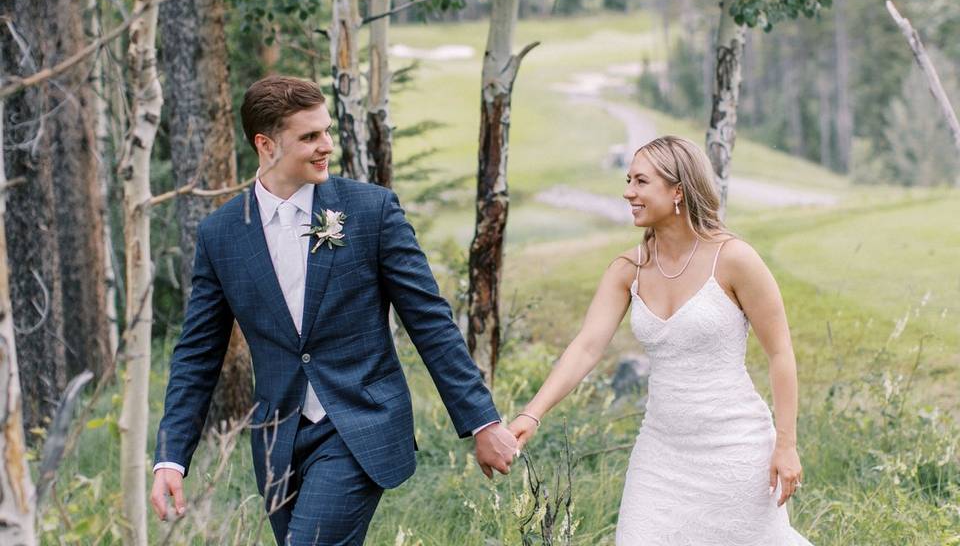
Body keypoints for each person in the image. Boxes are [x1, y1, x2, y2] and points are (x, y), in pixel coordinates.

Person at [150, 76, 518, 545]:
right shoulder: (220, 234)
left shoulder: (371, 211)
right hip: (278, 442)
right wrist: (171, 458)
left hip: (360, 424)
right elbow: (197, 355)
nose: (327, 146)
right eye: (309, 137)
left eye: (326, 131)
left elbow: (429, 320)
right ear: (266, 145)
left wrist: (481, 421)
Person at [508, 136, 812, 545]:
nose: (628, 191)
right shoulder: (627, 269)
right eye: (628, 179)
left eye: (641, 181)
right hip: (661, 453)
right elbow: (586, 347)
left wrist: (787, 446)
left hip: (735, 451)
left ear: (678, 191)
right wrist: (532, 413)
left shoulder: (735, 259)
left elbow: (780, 354)